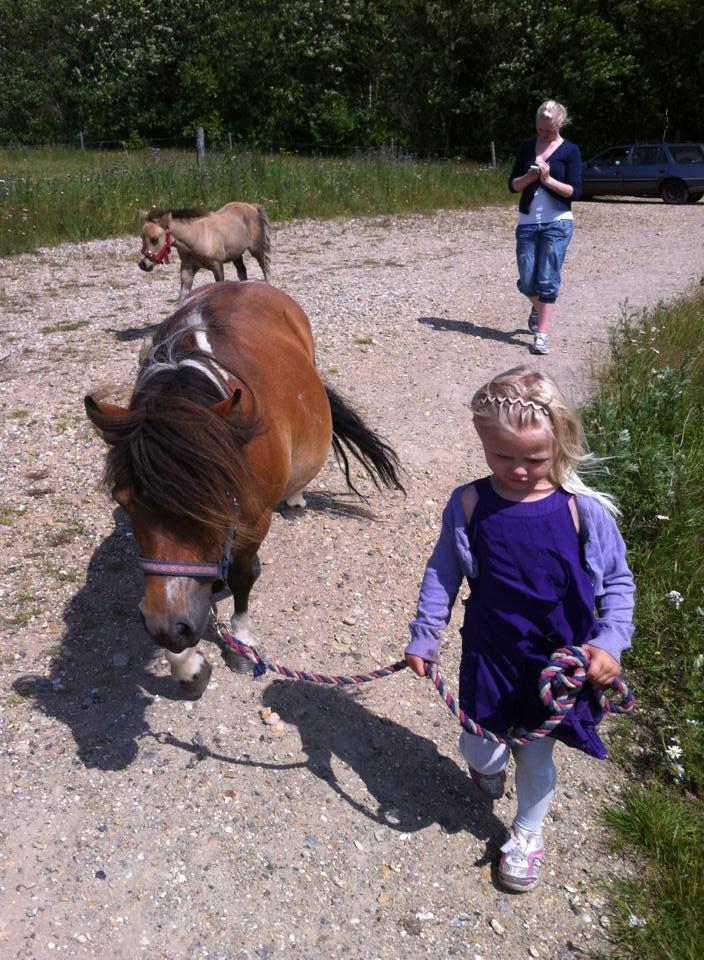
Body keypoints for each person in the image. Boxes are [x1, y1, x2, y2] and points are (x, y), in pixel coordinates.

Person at [405, 367, 635, 892]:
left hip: (554, 666)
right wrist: (425, 633)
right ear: (482, 441)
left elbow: (618, 584)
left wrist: (608, 642)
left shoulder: (584, 512)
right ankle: (489, 766)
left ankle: (528, 833)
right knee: (480, 746)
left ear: (561, 443)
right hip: (489, 654)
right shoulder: (469, 505)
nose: (519, 470)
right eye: (502, 457)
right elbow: (443, 572)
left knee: (536, 752)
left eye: (535, 459)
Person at [508, 100, 582, 356]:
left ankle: (542, 334)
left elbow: (575, 191)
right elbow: (513, 186)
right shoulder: (527, 147)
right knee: (528, 282)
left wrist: (548, 179)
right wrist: (529, 177)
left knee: (547, 279)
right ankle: (538, 307)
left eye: (548, 131)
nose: (543, 134)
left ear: (560, 125)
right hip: (528, 222)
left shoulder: (571, 151)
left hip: (558, 221)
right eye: (540, 129)